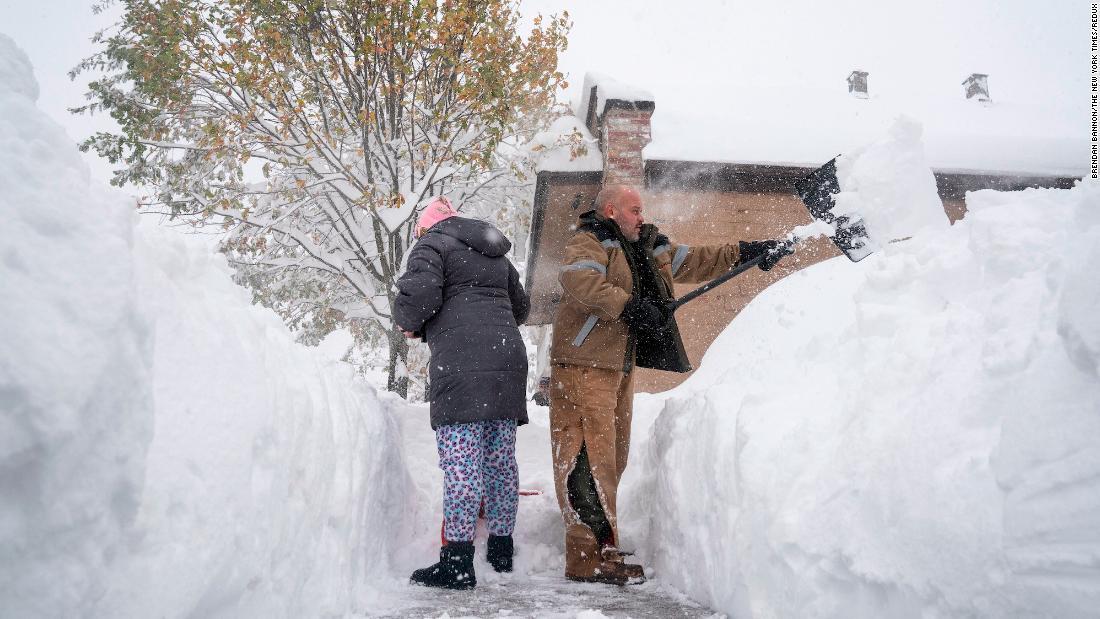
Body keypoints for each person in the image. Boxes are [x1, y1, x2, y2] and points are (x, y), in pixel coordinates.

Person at [548, 184, 790, 585]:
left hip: (616, 366)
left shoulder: (646, 246)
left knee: (613, 456)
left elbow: (693, 260)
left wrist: (747, 252)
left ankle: (603, 542)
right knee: (585, 456)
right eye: (634, 209)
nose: (641, 216)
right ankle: (588, 555)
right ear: (611, 210)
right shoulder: (590, 242)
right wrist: (629, 306)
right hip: (583, 364)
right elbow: (580, 282)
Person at [395, 196, 530, 590]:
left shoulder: (431, 244)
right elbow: (520, 308)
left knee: (462, 465)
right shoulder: (496, 253)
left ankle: (456, 563)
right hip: (506, 360)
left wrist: (410, 323)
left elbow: (418, 299)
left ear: (427, 226)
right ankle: (501, 551)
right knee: (500, 461)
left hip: (461, 362)